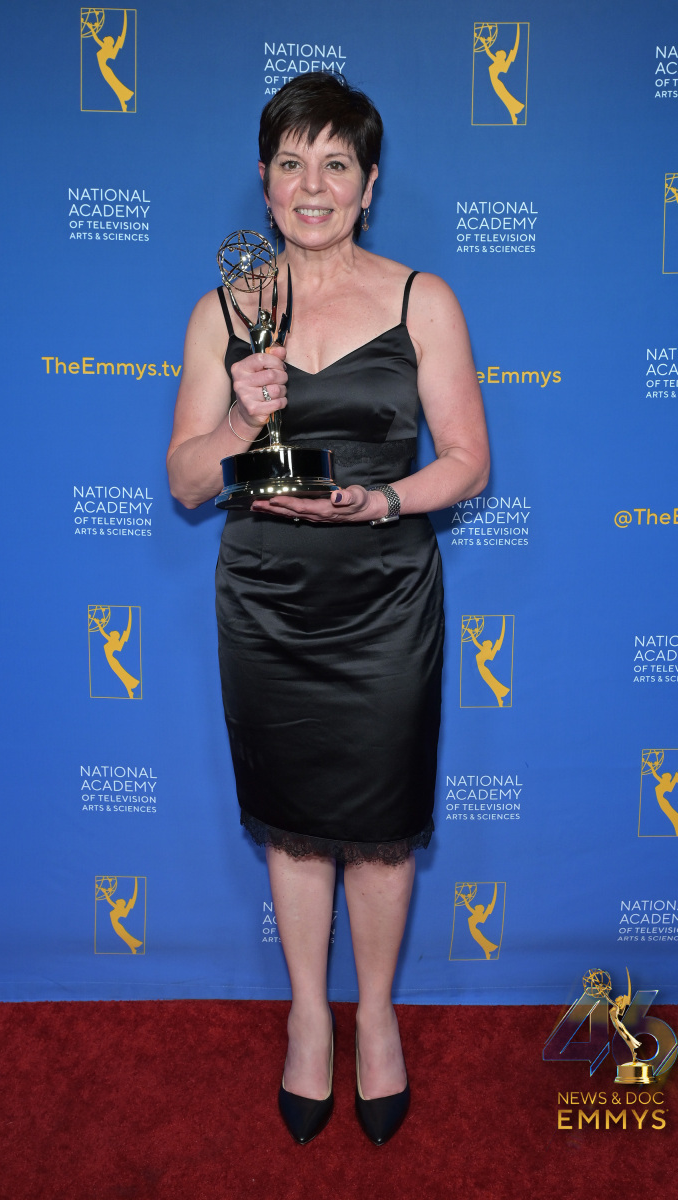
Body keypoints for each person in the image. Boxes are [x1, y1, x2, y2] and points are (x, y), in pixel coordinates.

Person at [167, 73, 489, 1145]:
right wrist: (239, 423)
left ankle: (377, 1016)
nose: (313, 185)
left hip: (386, 591)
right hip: (265, 594)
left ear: (369, 184)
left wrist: (383, 499)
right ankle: (310, 1017)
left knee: (383, 830)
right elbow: (186, 482)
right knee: (296, 826)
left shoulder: (420, 301)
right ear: (264, 182)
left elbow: (469, 462)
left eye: (336, 164)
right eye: (292, 163)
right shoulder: (224, 312)